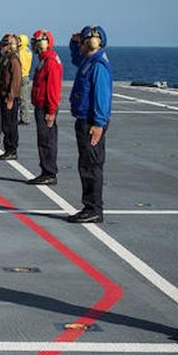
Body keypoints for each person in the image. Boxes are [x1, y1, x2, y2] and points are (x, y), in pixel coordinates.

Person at [67, 25, 112, 223]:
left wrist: (99, 124)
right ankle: (90, 206)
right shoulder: (89, 60)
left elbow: (102, 97)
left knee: (91, 166)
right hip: (85, 120)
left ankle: (93, 208)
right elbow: (76, 57)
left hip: (91, 123)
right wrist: (73, 42)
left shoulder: (97, 65)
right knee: (86, 165)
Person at [27, 30, 63, 185]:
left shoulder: (50, 61)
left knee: (47, 140)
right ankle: (46, 170)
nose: (33, 45)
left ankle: (49, 172)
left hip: (45, 107)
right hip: (42, 106)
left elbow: (53, 88)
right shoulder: (44, 59)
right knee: (44, 139)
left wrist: (51, 111)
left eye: (35, 41)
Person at [0, 34, 22, 161]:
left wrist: (10, 97)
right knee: (6, 124)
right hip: (4, 96)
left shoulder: (13, 60)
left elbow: (16, 80)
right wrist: (1, 43)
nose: (3, 47)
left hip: (10, 98)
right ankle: (8, 149)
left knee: (10, 125)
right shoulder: (6, 58)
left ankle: (12, 149)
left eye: (5, 45)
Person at [17, 34, 34, 125]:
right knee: (24, 98)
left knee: (23, 99)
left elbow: (20, 64)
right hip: (26, 75)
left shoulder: (21, 52)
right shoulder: (28, 50)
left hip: (21, 75)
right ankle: (24, 117)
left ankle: (25, 118)